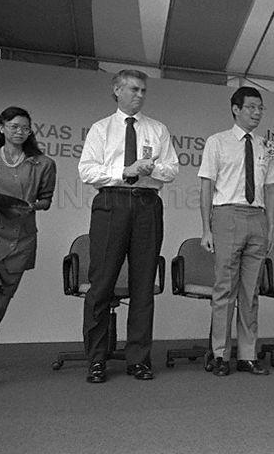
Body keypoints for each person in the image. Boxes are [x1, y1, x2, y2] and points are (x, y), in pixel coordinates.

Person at [78, 69, 179, 384]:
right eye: (134, 89)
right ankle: (97, 359)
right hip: (112, 203)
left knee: (143, 285)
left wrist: (151, 168)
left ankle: (138, 359)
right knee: (102, 283)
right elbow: (87, 171)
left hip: (147, 204)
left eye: (143, 90)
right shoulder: (101, 128)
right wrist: (125, 171)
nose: (140, 95)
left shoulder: (157, 129)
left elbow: (172, 169)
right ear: (117, 90)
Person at [198, 86, 274, 377]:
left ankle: (247, 355)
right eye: (251, 107)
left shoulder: (266, 145)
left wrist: (270, 227)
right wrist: (206, 229)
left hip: (257, 217)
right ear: (236, 109)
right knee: (224, 289)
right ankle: (220, 354)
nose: (257, 113)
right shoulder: (217, 142)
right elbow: (207, 186)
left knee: (250, 291)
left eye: (260, 108)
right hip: (226, 214)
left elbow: (270, 188)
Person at [0, 107, 56, 391]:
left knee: (1, 302)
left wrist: (34, 205)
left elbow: (46, 199)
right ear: (1, 128)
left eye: (25, 128)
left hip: (21, 237)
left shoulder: (43, 164)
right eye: (14, 126)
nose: (20, 132)